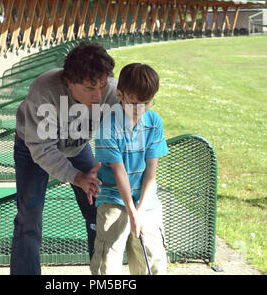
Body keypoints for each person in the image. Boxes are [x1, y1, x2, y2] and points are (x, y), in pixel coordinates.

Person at [10, 42, 120, 275]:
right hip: (32, 148)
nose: (98, 95)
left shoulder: (110, 91)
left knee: (98, 208)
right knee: (29, 218)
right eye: (90, 88)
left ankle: (101, 274)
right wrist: (76, 177)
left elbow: (131, 128)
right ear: (70, 82)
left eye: (102, 85)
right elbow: (42, 148)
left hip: (76, 145)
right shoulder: (44, 90)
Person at [90, 63, 168, 275]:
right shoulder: (108, 125)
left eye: (146, 103)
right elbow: (119, 172)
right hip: (113, 196)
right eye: (134, 104)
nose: (140, 111)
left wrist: (140, 210)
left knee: (152, 258)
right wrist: (132, 214)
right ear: (120, 95)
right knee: (108, 259)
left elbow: (151, 172)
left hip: (145, 198)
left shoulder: (154, 122)